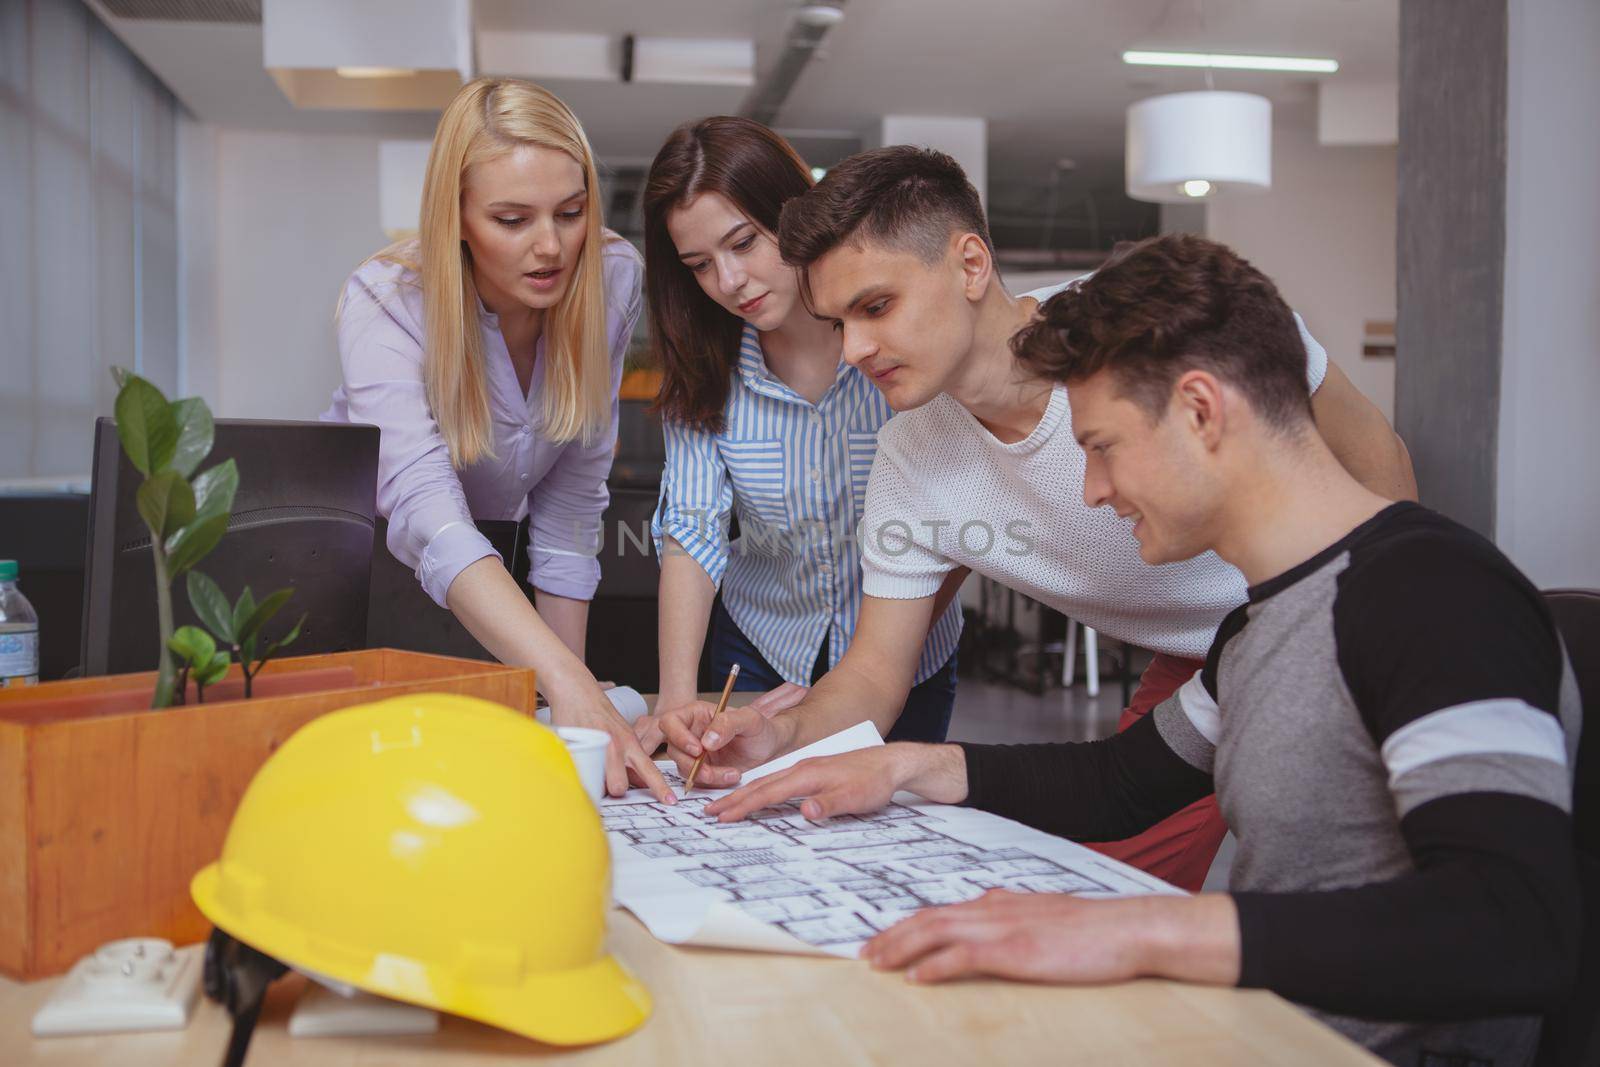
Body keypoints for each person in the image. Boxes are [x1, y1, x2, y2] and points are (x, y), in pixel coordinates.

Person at [704, 234, 1581, 1067]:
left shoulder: (1435, 594)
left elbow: (1513, 924)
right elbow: (1124, 781)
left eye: (1103, 448)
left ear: (1200, 410)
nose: (1091, 491)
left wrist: (1141, 928)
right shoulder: (1256, 625)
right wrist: (902, 767)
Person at [652, 146, 1416, 890]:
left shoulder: (1147, 322)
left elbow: (1373, 453)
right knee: (1103, 892)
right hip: (1196, 663)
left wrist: (1388, 617)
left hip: (1332, 613)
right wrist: (779, 732)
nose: (854, 349)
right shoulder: (909, 457)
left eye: (876, 306)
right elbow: (875, 674)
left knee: (1359, 871)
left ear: (971, 264)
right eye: (838, 322)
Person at [321, 77, 670, 800]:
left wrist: (568, 705)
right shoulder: (384, 300)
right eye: (513, 219)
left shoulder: (611, 276)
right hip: (377, 571)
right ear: (456, 217)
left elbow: (572, 498)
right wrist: (567, 679)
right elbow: (429, 514)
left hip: (497, 576)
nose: (551, 247)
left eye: (571, 213)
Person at [634, 118, 964, 747]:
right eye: (700, 265)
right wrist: (676, 700)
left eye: (744, 243)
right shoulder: (708, 374)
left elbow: (952, 526)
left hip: (910, 653)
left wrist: (858, 678)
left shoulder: (897, 345)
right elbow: (693, 524)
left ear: (793, 216)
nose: (728, 282)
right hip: (761, 649)